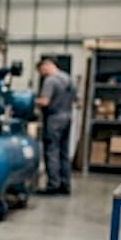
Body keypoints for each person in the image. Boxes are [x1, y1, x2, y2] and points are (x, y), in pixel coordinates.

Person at [35, 57, 74, 195]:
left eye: (41, 71)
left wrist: (33, 101)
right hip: (67, 117)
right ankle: (65, 185)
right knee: (64, 152)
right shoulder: (67, 78)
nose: (42, 74)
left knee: (51, 151)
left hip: (54, 119)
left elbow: (45, 101)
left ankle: (53, 185)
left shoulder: (50, 80)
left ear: (46, 66)